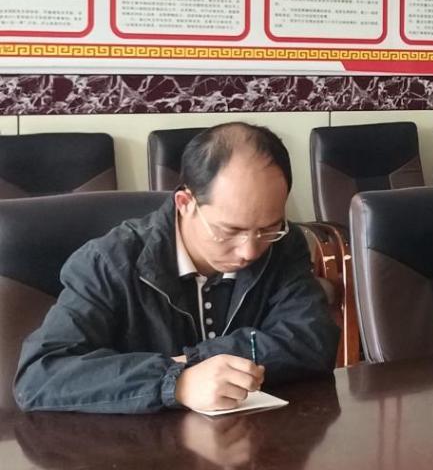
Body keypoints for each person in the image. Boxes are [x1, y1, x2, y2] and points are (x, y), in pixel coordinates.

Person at [14, 122, 338, 414]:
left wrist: (192, 360)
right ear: (185, 203)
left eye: (267, 228)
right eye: (229, 231)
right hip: (133, 447)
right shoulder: (110, 261)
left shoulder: (282, 244)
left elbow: (311, 341)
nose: (249, 250)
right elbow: (40, 375)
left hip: (251, 440)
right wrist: (175, 383)